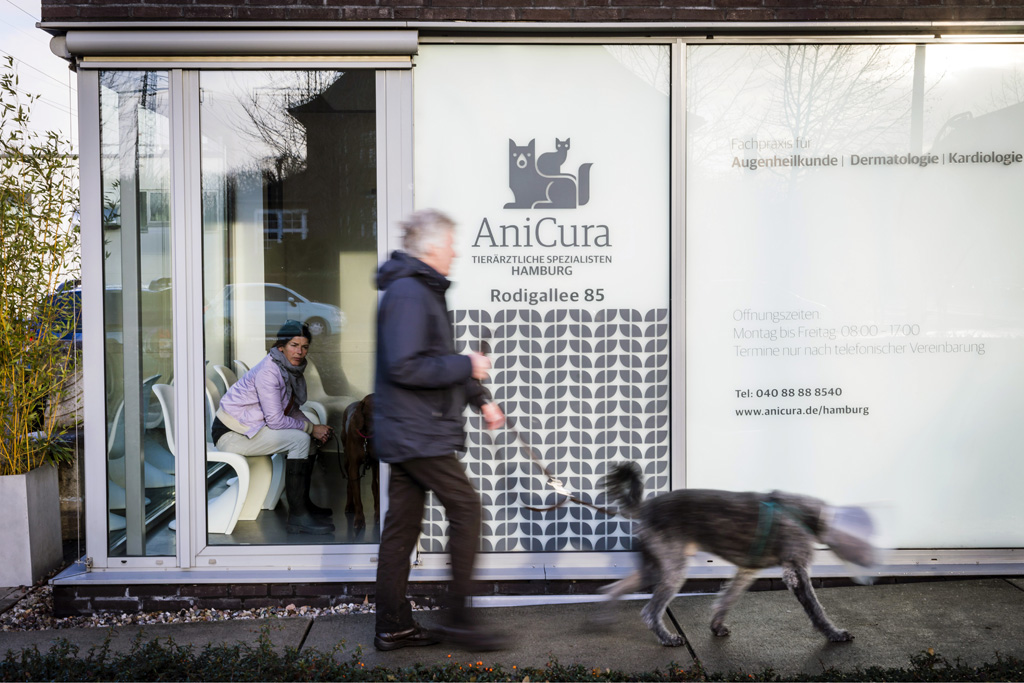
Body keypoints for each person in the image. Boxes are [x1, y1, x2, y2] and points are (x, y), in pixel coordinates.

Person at [373, 209, 507, 652]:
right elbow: (405, 366)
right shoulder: (410, 293)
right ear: (431, 248)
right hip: (417, 432)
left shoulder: (417, 290)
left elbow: (434, 358)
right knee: (467, 508)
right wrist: (467, 363)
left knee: (401, 528)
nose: (456, 251)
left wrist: (480, 398)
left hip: (412, 430)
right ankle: (460, 619)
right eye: (450, 243)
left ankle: (392, 625)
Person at [210, 320, 335, 535]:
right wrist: (309, 429)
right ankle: (297, 518)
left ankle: (303, 505)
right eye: (294, 345)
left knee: (307, 434)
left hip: (252, 429)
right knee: (301, 438)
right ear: (281, 347)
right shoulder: (269, 372)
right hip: (232, 434)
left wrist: (314, 428)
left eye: (304, 347)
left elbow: (290, 408)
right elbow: (276, 420)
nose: (300, 352)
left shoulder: (288, 368)